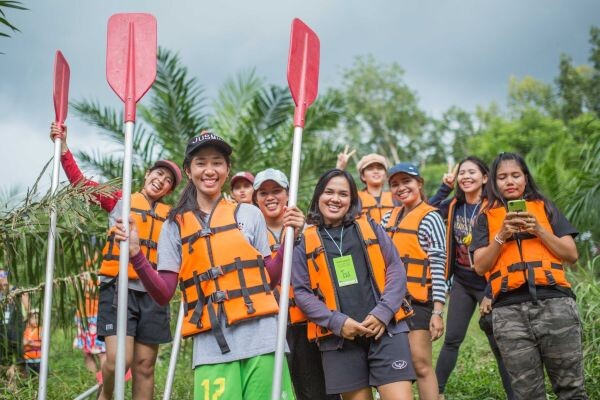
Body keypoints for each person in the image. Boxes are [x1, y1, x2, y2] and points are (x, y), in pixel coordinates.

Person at [114, 132, 305, 399]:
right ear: (188, 170)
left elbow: (269, 278)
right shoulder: (174, 225)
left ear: (227, 169)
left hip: (263, 340)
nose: (209, 170)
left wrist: (288, 239)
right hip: (213, 346)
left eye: (217, 162)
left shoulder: (249, 214)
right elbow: (163, 292)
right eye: (201, 162)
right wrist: (136, 254)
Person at [50, 122, 182, 400]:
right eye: (158, 173)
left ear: (169, 190)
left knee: (145, 366)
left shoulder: (173, 218)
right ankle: (106, 396)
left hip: (152, 295)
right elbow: (80, 184)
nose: (161, 179)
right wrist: (63, 148)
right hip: (118, 288)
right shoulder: (120, 200)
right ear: (147, 175)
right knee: (119, 361)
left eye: (168, 180)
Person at [472, 152, 587, 399]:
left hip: (555, 304)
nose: (509, 181)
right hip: (508, 312)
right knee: (527, 394)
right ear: (493, 182)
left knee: (572, 389)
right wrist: (501, 236)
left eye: (515, 175)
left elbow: (571, 254)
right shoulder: (485, 217)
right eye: (502, 177)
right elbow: (480, 266)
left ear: (525, 177)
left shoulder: (545, 207)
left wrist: (539, 230)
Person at [292, 168, 416, 400]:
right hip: (339, 339)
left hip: (385, 329)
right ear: (318, 195)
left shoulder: (369, 226)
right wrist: (337, 322)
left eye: (343, 194)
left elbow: (396, 269)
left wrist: (383, 312)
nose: (335, 199)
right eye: (329, 192)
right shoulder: (303, 241)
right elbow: (302, 293)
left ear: (351, 200)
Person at [430, 157, 514, 399]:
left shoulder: (495, 207)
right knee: (452, 339)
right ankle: (436, 392)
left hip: (490, 283)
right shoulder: (453, 205)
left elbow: (505, 251)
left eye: (471, 172)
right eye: (462, 173)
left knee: (499, 346)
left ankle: (515, 395)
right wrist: (445, 187)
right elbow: (426, 209)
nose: (465, 177)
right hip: (463, 283)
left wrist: (490, 291)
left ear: (485, 178)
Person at [253, 168, 335, 400]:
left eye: (276, 191)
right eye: (263, 193)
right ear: (255, 199)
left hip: (306, 323)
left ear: (288, 194)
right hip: (269, 325)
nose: (270, 197)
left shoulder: (311, 229)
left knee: (315, 392)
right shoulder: (247, 233)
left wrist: (303, 233)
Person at [381, 163, 446, 400]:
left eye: (406, 182)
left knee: (420, 363)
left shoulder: (431, 217)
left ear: (419, 183)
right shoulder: (388, 217)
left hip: (417, 302)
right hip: (389, 302)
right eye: (395, 184)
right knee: (397, 366)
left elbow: (439, 266)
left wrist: (438, 311)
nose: (401, 188)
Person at [337, 147, 394, 224]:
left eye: (380, 168)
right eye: (370, 169)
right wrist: (340, 168)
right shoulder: (355, 198)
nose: (376, 171)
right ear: (363, 176)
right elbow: (337, 189)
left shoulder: (396, 197)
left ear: (385, 175)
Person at [73, 278, 106, 382]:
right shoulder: (84, 270)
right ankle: (93, 381)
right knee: (86, 352)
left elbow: (95, 290)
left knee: (101, 352)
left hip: (96, 315)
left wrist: (85, 284)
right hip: (82, 315)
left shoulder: (100, 266)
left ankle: (104, 382)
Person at [22, 309, 41, 376]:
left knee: (40, 376)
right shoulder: (26, 331)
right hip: (28, 360)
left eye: (37, 318)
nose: (36, 320)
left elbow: (44, 344)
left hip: (39, 360)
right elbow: (23, 342)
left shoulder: (41, 330)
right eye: (33, 318)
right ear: (29, 319)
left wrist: (30, 343)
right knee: (29, 377)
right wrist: (25, 343)